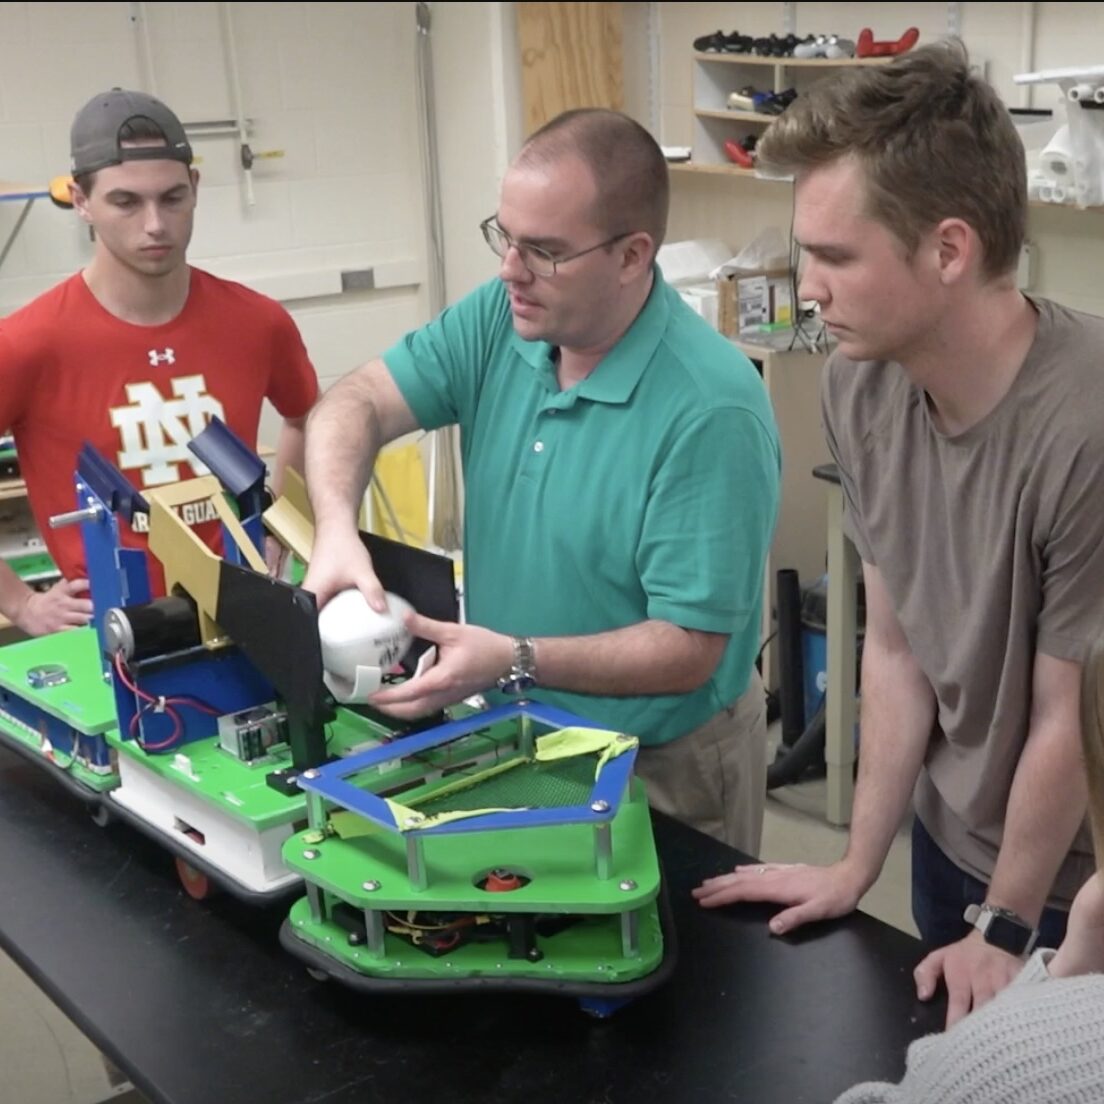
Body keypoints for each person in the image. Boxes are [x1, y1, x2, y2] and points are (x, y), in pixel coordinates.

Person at [693, 39, 1104, 1025]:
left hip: (1071, 890)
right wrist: (852, 865)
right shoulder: (858, 384)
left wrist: (1006, 928)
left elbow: (1067, 717)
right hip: (946, 844)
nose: (810, 288)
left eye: (835, 258)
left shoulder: (1087, 424)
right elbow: (900, 648)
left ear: (950, 250)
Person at [302, 108, 781, 854]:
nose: (509, 271)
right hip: (517, 724)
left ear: (632, 256)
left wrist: (514, 658)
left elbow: (689, 647)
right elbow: (354, 401)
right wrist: (334, 525)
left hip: (661, 765)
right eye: (505, 237)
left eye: (546, 251)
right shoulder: (503, 318)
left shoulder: (709, 409)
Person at [0, 88, 318, 634]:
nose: (155, 224)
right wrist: (21, 604)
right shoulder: (28, 342)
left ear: (194, 188)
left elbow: (306, 415)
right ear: (81, 200)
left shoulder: (257, 322)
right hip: (110, 629)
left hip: (241, 614)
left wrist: (279, 529)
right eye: (126, 202)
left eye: (172, 198)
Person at [832, 636, 1104, 1103]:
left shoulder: (1003, 1064)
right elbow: (894, 645)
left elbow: (933, 1087)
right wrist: (1065, 973)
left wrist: (1024, 987)